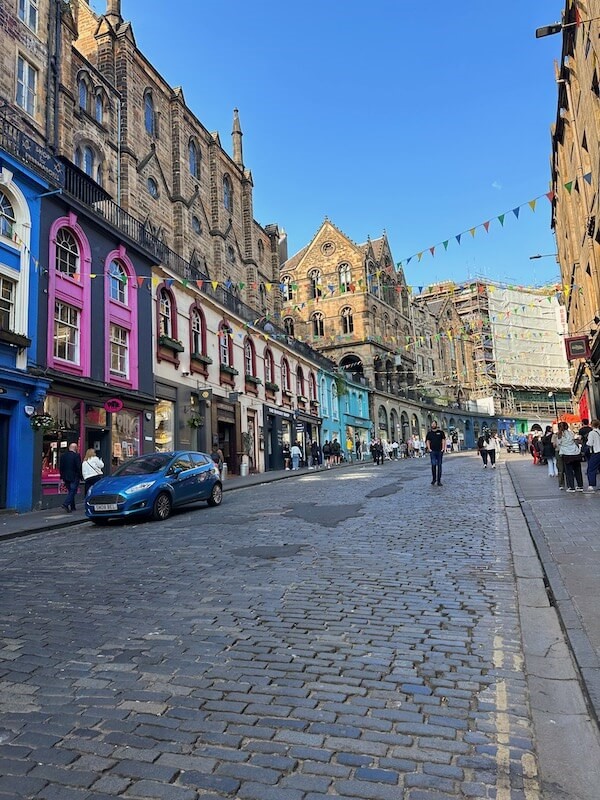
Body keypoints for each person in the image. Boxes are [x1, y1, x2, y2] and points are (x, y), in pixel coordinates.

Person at [556, 422, 584, 492]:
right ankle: (580, 486)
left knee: (569, 471)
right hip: (575, 453)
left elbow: (558, 444)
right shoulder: (571, 433)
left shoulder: (559, 435)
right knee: (577, 470)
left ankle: (571, 487)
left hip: (566, 454)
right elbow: (575, 440)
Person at [59, 442, 82, 512]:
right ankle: (66, 504)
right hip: (74, 476)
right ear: (75, 448)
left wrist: (62, 476)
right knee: (73, 491)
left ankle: (73, 507)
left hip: (65, 476)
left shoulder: (63, 456)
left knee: (70, 491)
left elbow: (61, 467)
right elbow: (78, 467)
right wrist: (81, 476)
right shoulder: (76, 456)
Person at [425, 421, 446, 486]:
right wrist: (429, 449)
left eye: (434, 424)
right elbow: (427, 441)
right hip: (433, 451)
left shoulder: (441, 432)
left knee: (439, 465)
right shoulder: (429, 433)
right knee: (433, 465)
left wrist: (443, 448)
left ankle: (439, 481)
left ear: (436, 425)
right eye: (432, 424)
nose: (433, 425)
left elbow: (443, 440)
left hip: (439, 451)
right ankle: (434, 479)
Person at [585, 419, 600, 492]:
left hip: (596, 452)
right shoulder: (599, 432)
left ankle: (591, 485)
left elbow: (590, 443)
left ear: (591, 425)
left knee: (591, 469)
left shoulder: (591, 433)